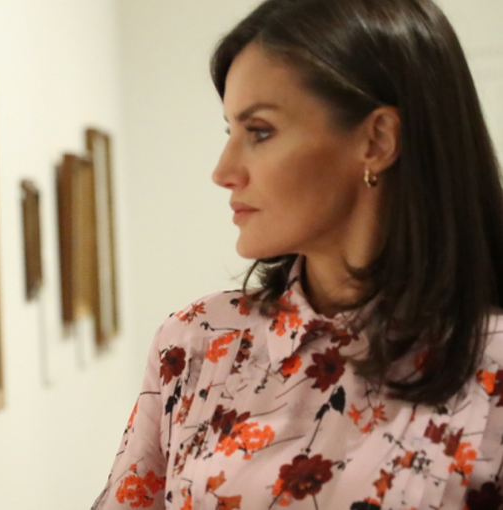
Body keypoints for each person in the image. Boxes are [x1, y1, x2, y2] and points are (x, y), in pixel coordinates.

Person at [92, 0, 503, 508]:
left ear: (377, 140)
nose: (223, 171)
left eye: (259, 132)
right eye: (230, 132)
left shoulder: (490, 365)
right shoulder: (195, 345)